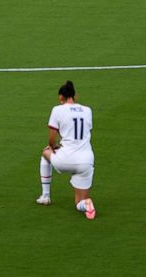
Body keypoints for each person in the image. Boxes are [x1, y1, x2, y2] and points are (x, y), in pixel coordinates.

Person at [37, 80, 96, 220]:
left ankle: (45, 196)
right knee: (78, 202)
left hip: (65, 160)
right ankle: (86, 204)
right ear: (75, 96)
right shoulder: (87, 110)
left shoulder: (57, 110)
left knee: (45, 153)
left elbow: (51, 139)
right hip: (86, 162)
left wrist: (53, 146)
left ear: (61, 97)